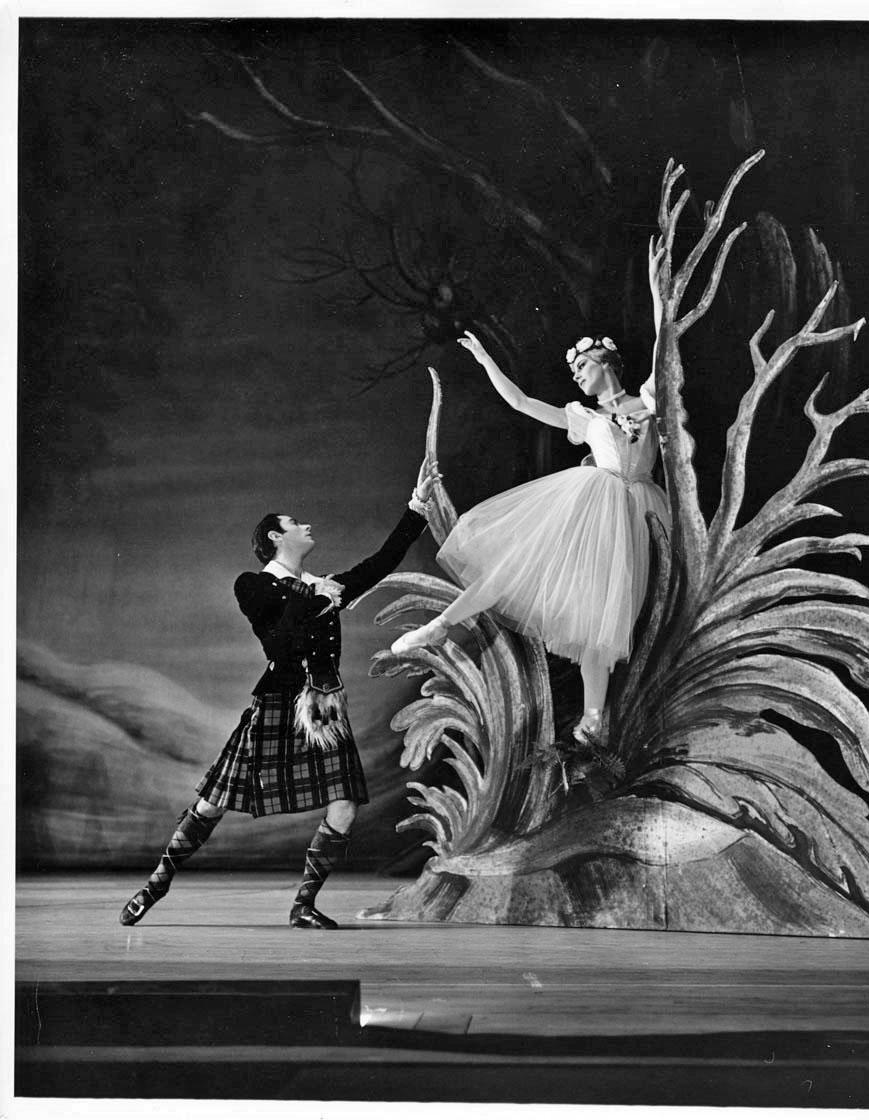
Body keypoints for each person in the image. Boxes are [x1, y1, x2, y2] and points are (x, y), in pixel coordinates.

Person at [119, 460, 440, 931]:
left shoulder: (324, 585)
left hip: (323, 704)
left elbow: (381, 561)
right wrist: (317, 599)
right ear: (274, 536)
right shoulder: (252, 585)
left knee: (346, 802)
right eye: (295, 523)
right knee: (212, 802)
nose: (306, 525)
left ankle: (303, 906)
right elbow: (280, 641)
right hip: (276, 702)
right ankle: (154, 887)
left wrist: (417, 508)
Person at [392, 243, 670, 743]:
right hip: (593, 505)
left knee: (605, 620)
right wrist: (484, 360)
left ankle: (593, 720)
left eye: (582, 368)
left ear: (604, 362)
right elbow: (521, 402)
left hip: (641, 511)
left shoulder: (647, 399)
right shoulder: (583, 419)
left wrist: (656, 291)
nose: (577, 376)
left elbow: (665, 348)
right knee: (519, 572)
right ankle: (440, 625)